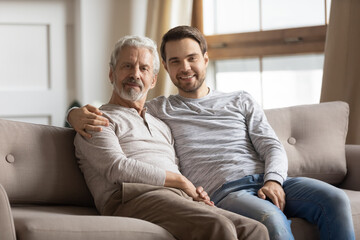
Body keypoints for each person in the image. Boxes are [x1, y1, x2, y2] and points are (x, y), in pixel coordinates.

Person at [69, 26, 355, 240]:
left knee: (331, 201)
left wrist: (274, 180)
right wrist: (74, 114)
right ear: (167, 70)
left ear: (205, 59)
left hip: (246, 183)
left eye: (192, 58)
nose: (185, 68)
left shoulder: (164, 117)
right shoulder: (156, 110)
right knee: (268, 219)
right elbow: (114, 157)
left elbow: (271, 146)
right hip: (209, 191)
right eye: (175, 62)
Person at [74, 35, 269, 240]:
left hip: (178, 198)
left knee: (255, 229)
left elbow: (175, 166)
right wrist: (180, 181)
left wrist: (194, 192)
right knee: (218, 226)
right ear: (111, 74)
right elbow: (117, 168)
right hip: (130, 198)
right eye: (127, 66)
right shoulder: (96, 120)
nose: (135, 74)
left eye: (144, 68)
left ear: (153, 80)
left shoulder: (160, 124)